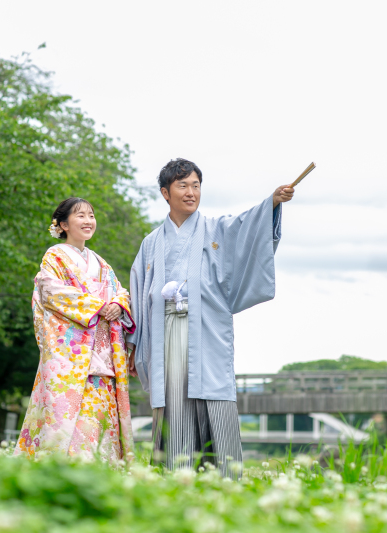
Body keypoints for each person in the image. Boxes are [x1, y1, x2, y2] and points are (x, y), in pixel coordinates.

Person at [126, 159, 294, 477]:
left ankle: (224, 476)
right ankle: (176, 474)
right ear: (165, 192)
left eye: (196, 185)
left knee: (214, 396)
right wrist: (135, 346)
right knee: (173, 400)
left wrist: (270, 204)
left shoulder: (216, 229)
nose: (191, 192)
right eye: (182, 185)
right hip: (165, 332)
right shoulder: (151, 243)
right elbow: (138, 292)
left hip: (205, 327)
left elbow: (247, 226)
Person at [15, 197, 136, 462]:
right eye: (80, 215)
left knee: (103, 421)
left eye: (91, 215)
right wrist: (97, 306)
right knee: (69, 419)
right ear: (62, 224)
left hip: (102, 358)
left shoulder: (101, 263)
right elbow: (49, 290)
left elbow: (120, 291)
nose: (88, 221)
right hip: (70, 356)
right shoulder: (55, 256)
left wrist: (117, 303)